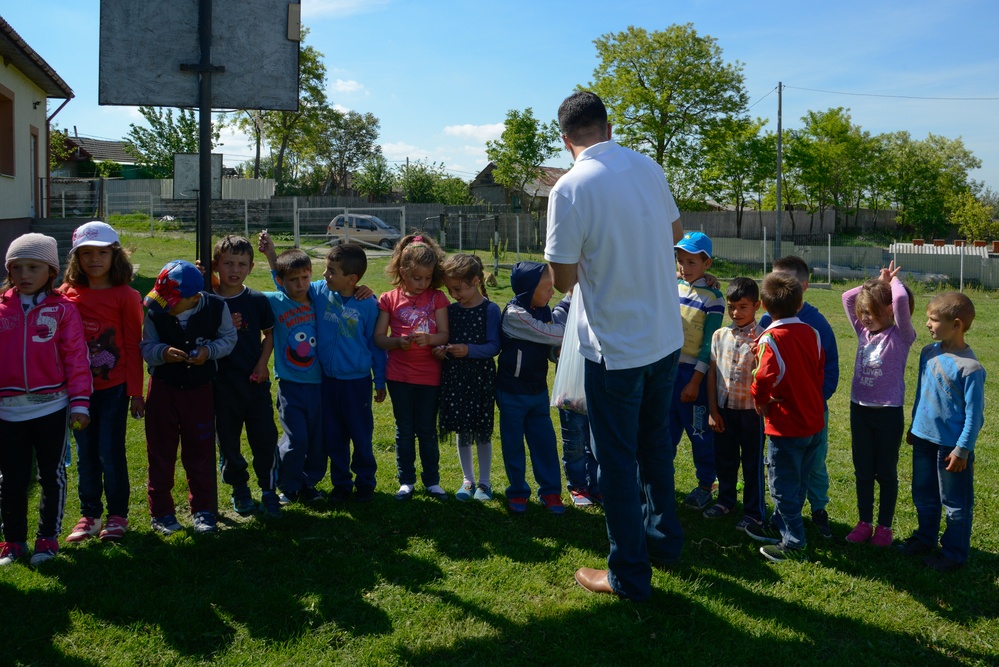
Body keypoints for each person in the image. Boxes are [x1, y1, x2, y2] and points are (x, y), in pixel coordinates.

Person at [546, 91, 685, 601]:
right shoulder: (647, 165)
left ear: (566, 140)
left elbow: (562, 280)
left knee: (617, 460)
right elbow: (676, 231)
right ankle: (664, 541)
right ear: (608, 128)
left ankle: (629, 572)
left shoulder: (569, 187)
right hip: (664, 338)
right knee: (653, 447)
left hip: (616, 348)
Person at [0, 234, 92, 566]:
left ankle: (47, 539)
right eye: (17, 267)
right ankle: (12, 541)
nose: (24, 274)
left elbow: (76, 358)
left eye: (33, 267)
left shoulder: (63, 310)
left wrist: (80, 403)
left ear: (50, 271)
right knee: (11, 477)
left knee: (51, 475)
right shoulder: (1, 310)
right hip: (8, 412)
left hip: (52, 407)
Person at [58, 222, 143, 544]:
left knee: (110, 451)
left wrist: (136, 392)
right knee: (85, 453)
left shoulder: (126, 296)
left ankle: (117, 515)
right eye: (86, 253)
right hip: (77, 391)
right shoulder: (66, 294)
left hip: (114, 389)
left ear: (114, 255)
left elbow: (134, 345)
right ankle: (90, 515)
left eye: (102, 252)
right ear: (76, 258)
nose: (94, 259)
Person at [141, 260, 236, 535]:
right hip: (162, 389)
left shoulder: (217, 308)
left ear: (195, 297)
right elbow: (146, 346)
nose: (164, 306)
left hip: (199, 390)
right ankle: (161, 512)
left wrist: (209, 353)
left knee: (200, 450)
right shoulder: (156, 312)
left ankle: (203, 510)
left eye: (171, 301)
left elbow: (228, 339)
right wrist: (162, 352)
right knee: (160, 452)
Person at [898, 292, 985, 572]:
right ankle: (925, 539)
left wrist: (962, 450)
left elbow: (975, 416)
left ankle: (954, 553)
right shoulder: (928, 352)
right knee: (923, 494)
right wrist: (914, 425)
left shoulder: (971, 369)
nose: (927, 324)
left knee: (955, 504)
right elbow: (922, 393)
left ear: (957, 324)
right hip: (923, 440)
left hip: (951, 450)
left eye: (934, 320)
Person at [759, 256, 839, 538]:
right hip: (780, 415)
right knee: (782, 466)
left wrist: (811, 400)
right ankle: (781, 516)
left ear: (803, 286)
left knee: (813, 463)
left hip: (811, 412)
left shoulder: (817, 324)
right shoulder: (767, 320)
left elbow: (829, 371)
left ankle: (818, 510)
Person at [750, 272, 826, 563]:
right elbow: (818, 372)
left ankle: (794, 541)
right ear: (799, 304)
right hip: (813, 422)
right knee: (800, 481)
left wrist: (760, 400)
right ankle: (783, 527)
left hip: (786, 426)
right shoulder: (812, 332)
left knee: (781, 486)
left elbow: (763, 377)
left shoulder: (770, 338)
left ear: (765, 308)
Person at [842, 262, 917, 547]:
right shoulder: (863, 332)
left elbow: (899, 300)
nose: (864, 317)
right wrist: (876, 282)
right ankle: (864, 522)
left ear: (890, 312)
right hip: (859, 409)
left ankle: (884, 528)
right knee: (863, 470)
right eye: (863, 313)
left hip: (887, 412)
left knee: (885, 472)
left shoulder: (901, 336)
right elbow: (847, 298)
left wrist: (890, 284)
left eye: (870, 312)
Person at [209, 235, 282, 518]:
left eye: (241, 263)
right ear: (217, 266)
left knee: (264, 438)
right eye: (228, 263)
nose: (234, 269)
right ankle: (239, 485)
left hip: (255, 384)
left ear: (251, 267)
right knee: (227, 441)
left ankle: (269, 490)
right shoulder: (207, 300)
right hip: (221, 386)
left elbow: (269, 334)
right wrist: (221, 324)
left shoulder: (257, 300)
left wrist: (263, 365)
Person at [374, 233, 450, 501]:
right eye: (417, 277)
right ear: (403, 271)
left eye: (427, 278)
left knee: (427, 430)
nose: (422, 283)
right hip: (399, 376)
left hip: (430, 376)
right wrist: (397, 342)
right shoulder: (389, 298)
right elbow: (379, 338)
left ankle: (432, 481)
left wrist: (430, 339)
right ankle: (406, 481)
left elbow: (445, 334)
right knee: (404, 430)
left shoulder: (438, 298)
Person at [496, 261, 568, 515]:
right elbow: (553, 336)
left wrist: (556, 352)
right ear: (528, 290)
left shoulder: (545, 310)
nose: (552, 293)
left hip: (538, 392)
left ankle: (550, 492)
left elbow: (549, 349)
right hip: (511, 392)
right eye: (547, 288)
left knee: (545, 443)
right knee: (513, 445)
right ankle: (517, 491)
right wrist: (568, 323)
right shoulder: (515, 315)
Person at [259, 248, 326, 505]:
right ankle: (288, 485)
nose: (300, 284)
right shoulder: (276, 301)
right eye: (293, 280)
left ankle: (309, 483)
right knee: (296, 438)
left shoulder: (319, 296)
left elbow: (342, 285)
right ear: (281, 281)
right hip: (291, 386)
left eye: (305, 278)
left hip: (321, 385)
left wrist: (362, 287)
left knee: (318, 440)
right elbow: (240, 295)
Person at [434, 253, 500, 501]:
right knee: (463, 429)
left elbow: (494, 346)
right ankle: (468, 480)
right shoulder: (451, 311)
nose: (454, 294)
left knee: (481, 430)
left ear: (474, 281)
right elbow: (445, 339)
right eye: (450, 289)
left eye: (458, 288)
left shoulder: (490, 309)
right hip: (456, 377)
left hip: (480, 379)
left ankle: (484, 483)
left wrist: (469, 350)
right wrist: (443, 352)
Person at [705, 277, 766, 530]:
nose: (736, 312)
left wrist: (758, 352)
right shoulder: (719, 335)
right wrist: (712, 410)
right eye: (732, 307)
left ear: (757, 306)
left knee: (753, 463)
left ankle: (754, 512)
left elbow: (767, 375)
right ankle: (726, 500)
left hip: (753, 414)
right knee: (725, 459)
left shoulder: (763, 338)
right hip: (724, 411)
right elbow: (712, 373)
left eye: (743, 307)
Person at [671, 231, 725, 510]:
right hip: (666, 374)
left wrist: (695, 381)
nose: (684, 267)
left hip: (694, 378)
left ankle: (706, 484)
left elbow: (709, 346)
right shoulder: (671, 286)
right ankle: (659, 483)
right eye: (681, 261)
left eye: (692, 262)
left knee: (700, 434)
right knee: (663, 433)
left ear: (707, 264)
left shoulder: (714, 298)